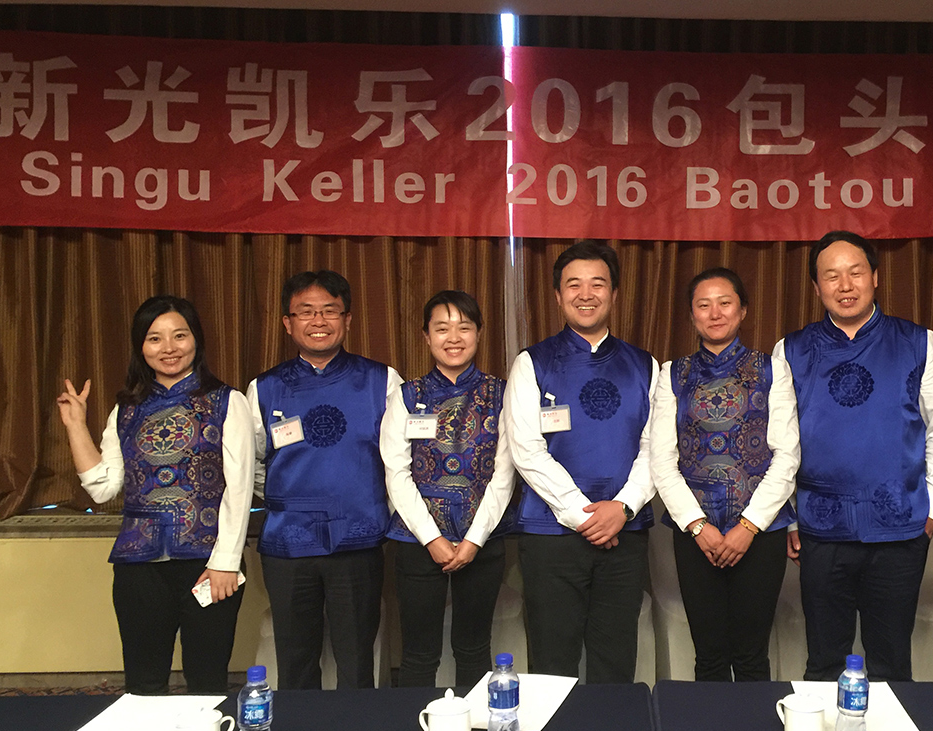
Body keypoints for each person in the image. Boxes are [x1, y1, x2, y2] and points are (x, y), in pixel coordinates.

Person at [776, 230, 933, 682]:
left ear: (875, 277)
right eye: (831, 276)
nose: (845, 285)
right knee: (824, 660)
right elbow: (781, 443)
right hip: (821, 529)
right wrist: (790, 517)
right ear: (816, 287)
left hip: (901, 527)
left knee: (891, 661)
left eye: (855, 272)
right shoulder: (792, 350)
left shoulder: (917, 341)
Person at [56, 296, 254, 694]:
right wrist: (76, 425)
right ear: (141, 347)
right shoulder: (127, 409)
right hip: (139, 566)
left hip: (207, 562)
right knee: (143, 683)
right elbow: (103, 487)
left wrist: (226, 562)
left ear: (196, 340)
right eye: (155, 338)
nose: (168, 348)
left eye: (179, 336)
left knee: (207, 680)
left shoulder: (226, 401)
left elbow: (240, 486)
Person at [503, 240, 658, 684]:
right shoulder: (532, 363)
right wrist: (584, 515)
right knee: (553, 664)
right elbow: (525, 449)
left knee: (615, 660)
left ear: (614, 293)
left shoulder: (645, 365)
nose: (585, 294)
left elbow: (657, 448)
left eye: (597, 284)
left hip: (624, 533)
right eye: (574, 284)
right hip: (551, 536)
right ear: (557, 295)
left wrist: (622, 508)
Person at [248, 270, 401, 690]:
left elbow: (400, 463)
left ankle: (358, 730)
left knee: (357, 660)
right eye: (306, 312)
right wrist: (286, 497)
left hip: (358, 541)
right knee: (295, 661)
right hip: (288, 544)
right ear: (287, 323)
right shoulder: (265, 388)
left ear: (348, 319)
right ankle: (300, 730)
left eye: (330, 311)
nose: (318, 321)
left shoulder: (382, 381)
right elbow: (251, 464)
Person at [651, 267, 800, 681]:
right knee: (709, 656)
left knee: (751, 656)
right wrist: (698, 527)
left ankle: (754, 726)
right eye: (704, 305)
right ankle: (709, 726)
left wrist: (748, 527)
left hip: (761, 532)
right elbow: (662, 460)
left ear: (743, 310)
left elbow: (787, 455)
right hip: (695, 533)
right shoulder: (672, 374)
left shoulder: (772, 369)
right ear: (692, 315)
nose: (715, 313)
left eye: (725, 303)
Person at [381, 290, 514, 687]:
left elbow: (505, 473)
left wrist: (474, 540)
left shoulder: (502, 394)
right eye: (442, 328)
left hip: (483, 539)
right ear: (426, 336)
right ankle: (414, 724)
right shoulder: (407, 396)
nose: (453, 338)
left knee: (474, 648)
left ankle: (480, 723)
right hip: (418, 541)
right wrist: (433, 539)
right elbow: (396, 472)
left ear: (479, 333)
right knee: (419, 653)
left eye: (464, 327)